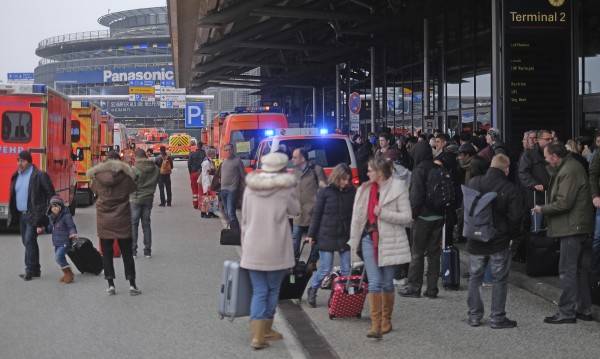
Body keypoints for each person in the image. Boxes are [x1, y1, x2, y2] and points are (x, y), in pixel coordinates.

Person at [240, 152, 300, 349]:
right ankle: (266, 329)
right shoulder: (285, 188)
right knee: (272, 289)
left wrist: (245, 244)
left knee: (259, 290)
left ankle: (257, 336)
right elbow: (295, 210)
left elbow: (245, 219)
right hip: (276, 247)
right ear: (282, 168)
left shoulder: (250, 188)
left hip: (253, 247)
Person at [349, 157, 412, 339]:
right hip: (369, 238)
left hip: (390, 239)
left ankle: (387, 320)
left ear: (380, 172)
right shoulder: (365, 189)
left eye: (370, 170)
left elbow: (407, 217)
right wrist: (353, 239)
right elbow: (357, 218)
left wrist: (383, 213)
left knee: (386, 282)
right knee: (374, 282)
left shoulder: (398, 187)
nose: (367, 174)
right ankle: (375, 325)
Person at [533, 141, 594, 323]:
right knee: (578, 271)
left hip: (571, 227)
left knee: (567, 271)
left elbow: (564, 202)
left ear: (555, 157)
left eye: (546, 157)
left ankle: (567, 312)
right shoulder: (568, 167)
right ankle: (584, 309)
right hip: (578, 226)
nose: (545, 160)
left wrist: (542, 209)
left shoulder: (569, 170)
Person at [465, 154, 523, 328]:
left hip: (475, 238)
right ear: (506, 169)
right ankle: (497, 318)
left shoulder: (474, 182)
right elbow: (516, 217)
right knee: (499, 279)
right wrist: (512, 236)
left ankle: (474, 316)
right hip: (499, 240)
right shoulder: (509, 187)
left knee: (475, 278)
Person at [87, 150, 140, 296]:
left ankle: (110, 284)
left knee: (107, 253)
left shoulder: (98, 176)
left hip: (104, 220)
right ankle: (132, 284)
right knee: (127, 253)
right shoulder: (125, 176)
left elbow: (94, 191)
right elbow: (133, 189)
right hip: (122, 218)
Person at [305, 163, 356, 308]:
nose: (347, 182)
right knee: (325, 268)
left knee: (346, 269)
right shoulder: (325, 191)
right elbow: (317, 214)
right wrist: (311, 234)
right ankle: (313, 288)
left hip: (345, 234)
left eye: (348, 179)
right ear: (337, 177)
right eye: (344, 179)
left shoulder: (352, 192)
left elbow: (355, 214)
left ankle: (338, 295)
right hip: (327, 233)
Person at [399, 140, 444, 299]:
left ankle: (414, 287)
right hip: (439, 216)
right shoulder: (438, 168)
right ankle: (432, 289)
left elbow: (416, 196)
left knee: (417, 252)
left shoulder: (419, 170)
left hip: (423, 217)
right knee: (434, 253)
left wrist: (411, 214)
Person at [8, 150, 56, 281]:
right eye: (18, 160)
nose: (20, 163)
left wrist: (50, 211)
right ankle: (36, 269)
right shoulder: (16, 176)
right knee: (27, 241)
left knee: (29, 240)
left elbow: (51, 193)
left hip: (34, 214)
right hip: (21, 215)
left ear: (29, 162)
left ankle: (29, 270)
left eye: (22, 161)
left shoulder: (39, 175)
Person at [291, 148, 327, 271]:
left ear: (302, 158)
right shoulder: (294, 171)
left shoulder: (316, 170)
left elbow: (323, 189)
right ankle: (293, 260)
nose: (292, 159)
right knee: (295, 236)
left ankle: (312, 261)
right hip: (298, 211)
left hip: (313, 211)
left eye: (295, 157)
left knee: (315, 238)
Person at [39, 196, 77, 283]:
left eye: (56, 206)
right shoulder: (52, 217)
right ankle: (69, 273)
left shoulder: (66, 216)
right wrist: (42, 229)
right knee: (60, 258)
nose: (54, 208)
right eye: (52, 206)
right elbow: (50, 228)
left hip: (65, 242)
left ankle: (68, 274)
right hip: (57, 242)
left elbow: (71, 226)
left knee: (58, 257)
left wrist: (72, 233)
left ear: (60, 207)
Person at [130, 148, 159, 258]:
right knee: (146, 225)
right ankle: (147, 251)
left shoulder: (134, 169)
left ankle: (133, 251)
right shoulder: (155, 168)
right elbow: (157, 180)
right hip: (148, 199)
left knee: (134, 226)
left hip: (135, 199)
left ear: (136, 157)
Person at [219, 143, 246, 230]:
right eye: (226, 150)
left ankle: (235, 231)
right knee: (226, 212)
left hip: (232, 190)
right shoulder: (224, 161)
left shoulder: (237, 161)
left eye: (230, 149)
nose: (228, 151)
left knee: (230, 212)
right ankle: (235, 230)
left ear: (233, 150)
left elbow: (243, 175)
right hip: (223, 189)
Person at [187, 141, 206, 209]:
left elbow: (189, 164)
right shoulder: (204, 154)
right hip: (202, 174)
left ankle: (195, 204)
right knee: (201, 189)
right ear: (202, 146)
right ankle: (201, 203)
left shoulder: (192, 154)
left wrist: (190, 172)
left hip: (193, 173)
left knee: (194, 189)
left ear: (197, 146)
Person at [200, 148, 219, 218]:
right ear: (211, 154)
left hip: (210, 181)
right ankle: (203, 213)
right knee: (206, 197)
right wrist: (208, 185)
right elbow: (207, 174)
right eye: (214, 153)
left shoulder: (209, 161)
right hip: (208, 182)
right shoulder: (207, 163)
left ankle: (211, 212)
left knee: (211, 197)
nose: (215, 154)